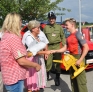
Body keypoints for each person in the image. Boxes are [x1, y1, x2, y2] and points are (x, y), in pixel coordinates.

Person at [0, 12, 41, 92]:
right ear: (15, 22)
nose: (21, 22)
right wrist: (36, 65)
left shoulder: (6, 35)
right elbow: (21, 61)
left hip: (9, 76)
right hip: (15, 77)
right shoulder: (13, 38)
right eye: (20, 20)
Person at [52, 18, 89, 92]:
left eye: (66, 25)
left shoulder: (78, 34)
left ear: (72, 25)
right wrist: (55, 50)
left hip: (78, 58)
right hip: (71, 59)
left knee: (81, 82)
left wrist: (80, 60)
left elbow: (86, 48)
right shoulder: (68, 37)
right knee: (73, 80)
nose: (65, 26)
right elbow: (64, 48)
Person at [22, 20, 51, 92]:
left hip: (39, 59)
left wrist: (45, 52)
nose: (39, 29)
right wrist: (45, 52)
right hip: (32, 60)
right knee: (32, 82)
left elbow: (45, 43)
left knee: (37, 81)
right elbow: (33, 51)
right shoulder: (29, 37)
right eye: (38, 28)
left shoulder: (38, 36)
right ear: (32, 29)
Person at [43, 12, 66, 86]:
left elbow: (63, 37)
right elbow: (43, 38)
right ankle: (46, 78)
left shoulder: (59, 27)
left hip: (57, 47)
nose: (51, 20)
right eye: (50, 18)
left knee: (57, 63)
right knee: (48, 63)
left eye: (52, 18)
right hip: (49, 47)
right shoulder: (46, 27)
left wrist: (64, 46)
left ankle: (57, 78)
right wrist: (45, 50)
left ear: (55, 19)